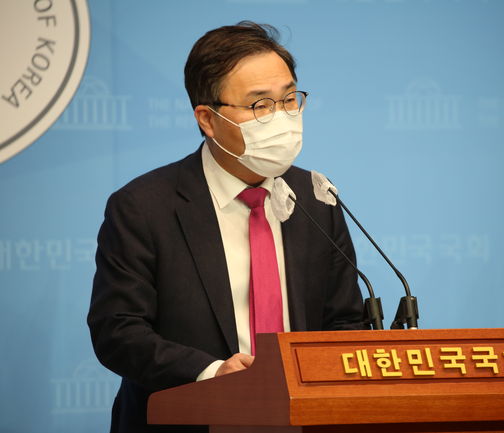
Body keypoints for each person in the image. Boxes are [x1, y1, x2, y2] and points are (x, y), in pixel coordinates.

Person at [87, 21, 365, 433]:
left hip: (302, 422)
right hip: (188, 420)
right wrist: (212, 372)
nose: (282, 117)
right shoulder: (144, 207)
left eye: (290, 99)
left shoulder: (315, 197)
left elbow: (345, 323)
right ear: (208, 119)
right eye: (260, 105)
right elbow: (118, 331)